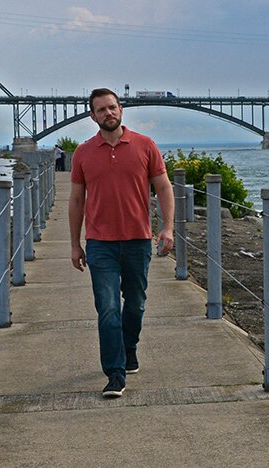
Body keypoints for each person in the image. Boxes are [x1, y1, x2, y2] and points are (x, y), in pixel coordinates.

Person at [69, 87, 174, 398]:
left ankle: (129, 347)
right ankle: (115, 374)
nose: (108, 113)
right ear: (92, 116)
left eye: (112, 107)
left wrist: (167, 229)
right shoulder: (83, 153)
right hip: (100, 244)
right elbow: (76, 201)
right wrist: (75, 244)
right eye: (101, 110)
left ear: (121, 109)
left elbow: (164, 189)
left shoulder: (145, 145)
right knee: (108, 308)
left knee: (136, 304)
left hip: (139, 240)